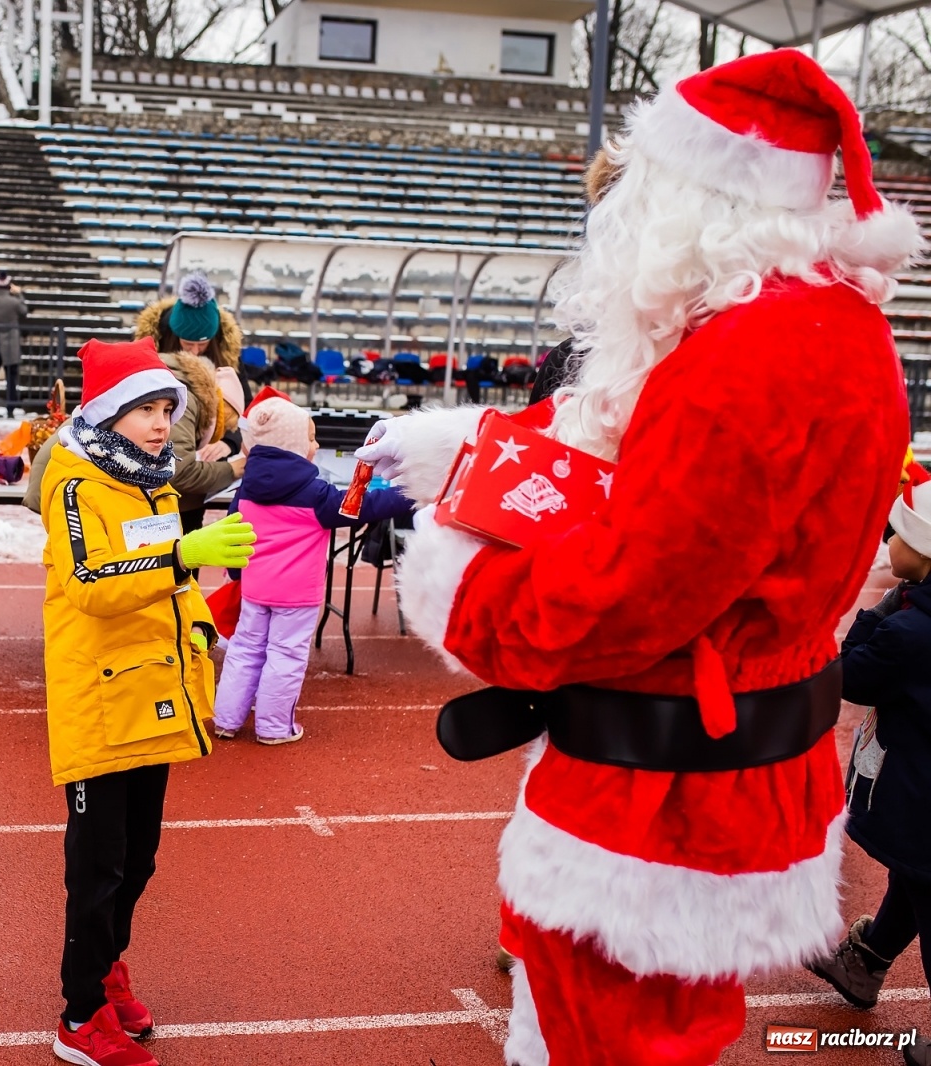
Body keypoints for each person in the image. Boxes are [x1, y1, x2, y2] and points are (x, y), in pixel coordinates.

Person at [355, 51, 920, 1064]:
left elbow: (627, 596)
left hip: (659, 793)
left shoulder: (751, 355)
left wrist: (459, 582)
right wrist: (484, 450)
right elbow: (643, 467)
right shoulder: (819, 326)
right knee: (648, 1026)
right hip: (721, 768)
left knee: (604, 1032)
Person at [37, 337, 256, 1066]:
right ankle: (78, 1013)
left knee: (137, 861)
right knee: (95, 869)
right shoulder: (74, 485)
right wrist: (181, 558)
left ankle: (106, 970)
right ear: (107, 413)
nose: (162, 423)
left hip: (154, 696)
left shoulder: (155, 482)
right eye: (144, 410)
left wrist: (203, 614)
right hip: (101, 704)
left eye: (168, 408)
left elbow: (167, 582)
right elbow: (94, 582)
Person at [805, 485, 931, 1066]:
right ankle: (866, 964)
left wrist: (873, 615)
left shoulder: (909, 633)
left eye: (899, 534)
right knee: (914, 878)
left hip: (920, 792)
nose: (888, 541)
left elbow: (848, 678)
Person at [213, 397, 413, 744]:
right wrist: (413, 491)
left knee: (245, 649)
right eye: (310, 438)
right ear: (293, 447)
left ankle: (226, 719)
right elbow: (365, 505)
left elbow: (233, 526)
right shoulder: (316, 494)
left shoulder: (247, 486)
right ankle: (274, 727)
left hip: (255, 586)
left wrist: (234, 571)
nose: (316, 445)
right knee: (285, 655)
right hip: (295, 595)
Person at [134, 273, 246, 533]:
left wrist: (227, 441)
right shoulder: (150, 358)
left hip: (196, 482)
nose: (195, 351)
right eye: (188, 344)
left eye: (202, 344)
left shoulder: (227, 361)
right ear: (174, 338)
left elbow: (243, 414)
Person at [0, 273, 28, 417]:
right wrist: (19, 295)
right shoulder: (14, 302)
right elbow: (24, 311)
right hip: (10, 343)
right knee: (11, 378)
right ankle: (10, 409)